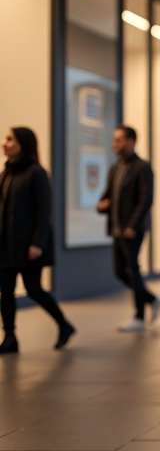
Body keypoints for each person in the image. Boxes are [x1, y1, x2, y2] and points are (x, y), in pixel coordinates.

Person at [0, 127, 75, 352]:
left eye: (10, 139)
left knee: (34, 290)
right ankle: (10, 336)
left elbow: (44, 211)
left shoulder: (36, 172)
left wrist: (38, 243)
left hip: (28, 245)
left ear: (23, 144)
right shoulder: (6, 173)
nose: (5, 143)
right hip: (5, 244)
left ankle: (64, 324)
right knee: (6, 291)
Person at [96, 125, 160, 332]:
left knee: (133, 270)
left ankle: (139, 316)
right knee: (120, 271)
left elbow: (146, 199)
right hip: (117, 228)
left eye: (118, 140)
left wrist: (133, 225)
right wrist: (101, 205)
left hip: (132, 229)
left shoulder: (142, 167)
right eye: (114, 140)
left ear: (131, 141)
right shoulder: (115, 168)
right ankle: (152, 299)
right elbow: (107, 195)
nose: (114, 144)